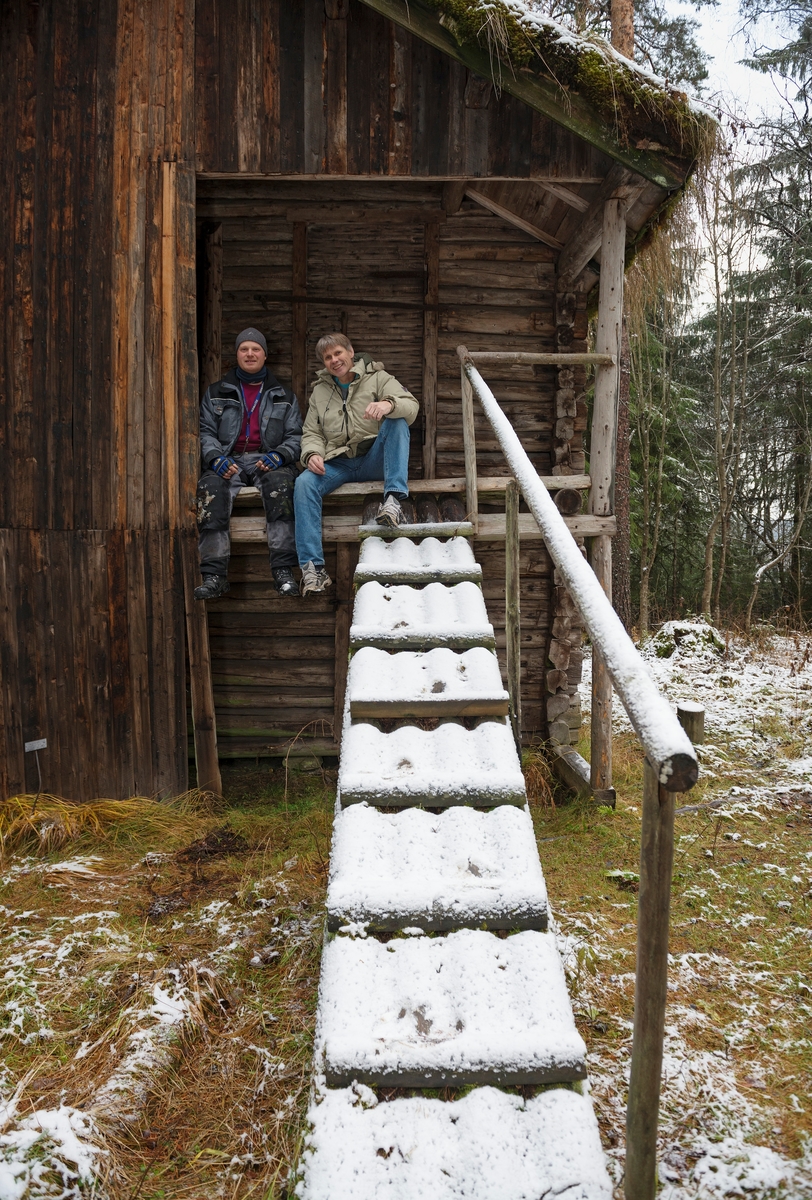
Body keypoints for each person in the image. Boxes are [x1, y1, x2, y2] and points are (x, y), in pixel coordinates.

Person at [294, 334, 419, 596]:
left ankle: (394, 500)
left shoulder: (378, 378)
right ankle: (313, 569)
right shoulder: (320, 391)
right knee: (304, 482)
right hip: (337, 464)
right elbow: (311, 432)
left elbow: (411, 407)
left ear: (351, 353)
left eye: (338, 353)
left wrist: (388, 404)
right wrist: (312, 454)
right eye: (328, 357)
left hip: (373, 459)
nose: (334, 360)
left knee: (397, 422)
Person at [194, 328, 302, 601]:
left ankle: (283, 570)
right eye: (244, 349)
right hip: (227, 461)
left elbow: (296, 436)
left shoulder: (284, 396)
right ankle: (214, 575)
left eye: (256, 349)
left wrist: (279, 455)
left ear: (265, 355)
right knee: (211, 490)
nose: (250, 354)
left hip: (268, 461)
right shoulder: (216, 393)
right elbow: (204, 431)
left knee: (282, 487)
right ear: (237, 354)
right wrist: (216, 459)